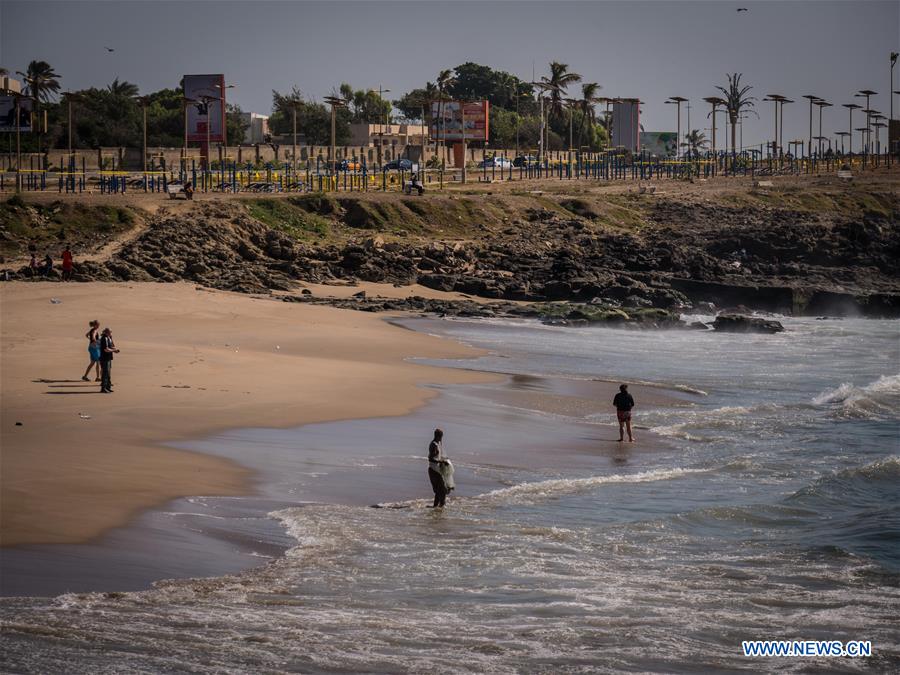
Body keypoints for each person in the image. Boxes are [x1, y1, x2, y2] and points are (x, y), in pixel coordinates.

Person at [427, 428, 454, 508]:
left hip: (437, 470)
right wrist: (441, 462)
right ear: (439, 436)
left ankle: (436, 507)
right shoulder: (434, 445)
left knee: (440, 490)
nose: (441, 439)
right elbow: (430, 458)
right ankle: (439, 507)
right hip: (433, 470)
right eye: (441, 437)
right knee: (442, 490)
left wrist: (443, 459)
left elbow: (437, 457)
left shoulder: (437, 444)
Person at [98, 327, 120, 393]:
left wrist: (114, 350)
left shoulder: (108, 338)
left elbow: (112, 346)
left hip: (108, 358)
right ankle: (103, 388)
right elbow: (105, 349)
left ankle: (108, 387)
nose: (111, 333)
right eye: (110, 332)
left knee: (108, 373)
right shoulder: (104, 338)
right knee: (105, 373)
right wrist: (113, 350)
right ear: (107, 332)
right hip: (104, 358)